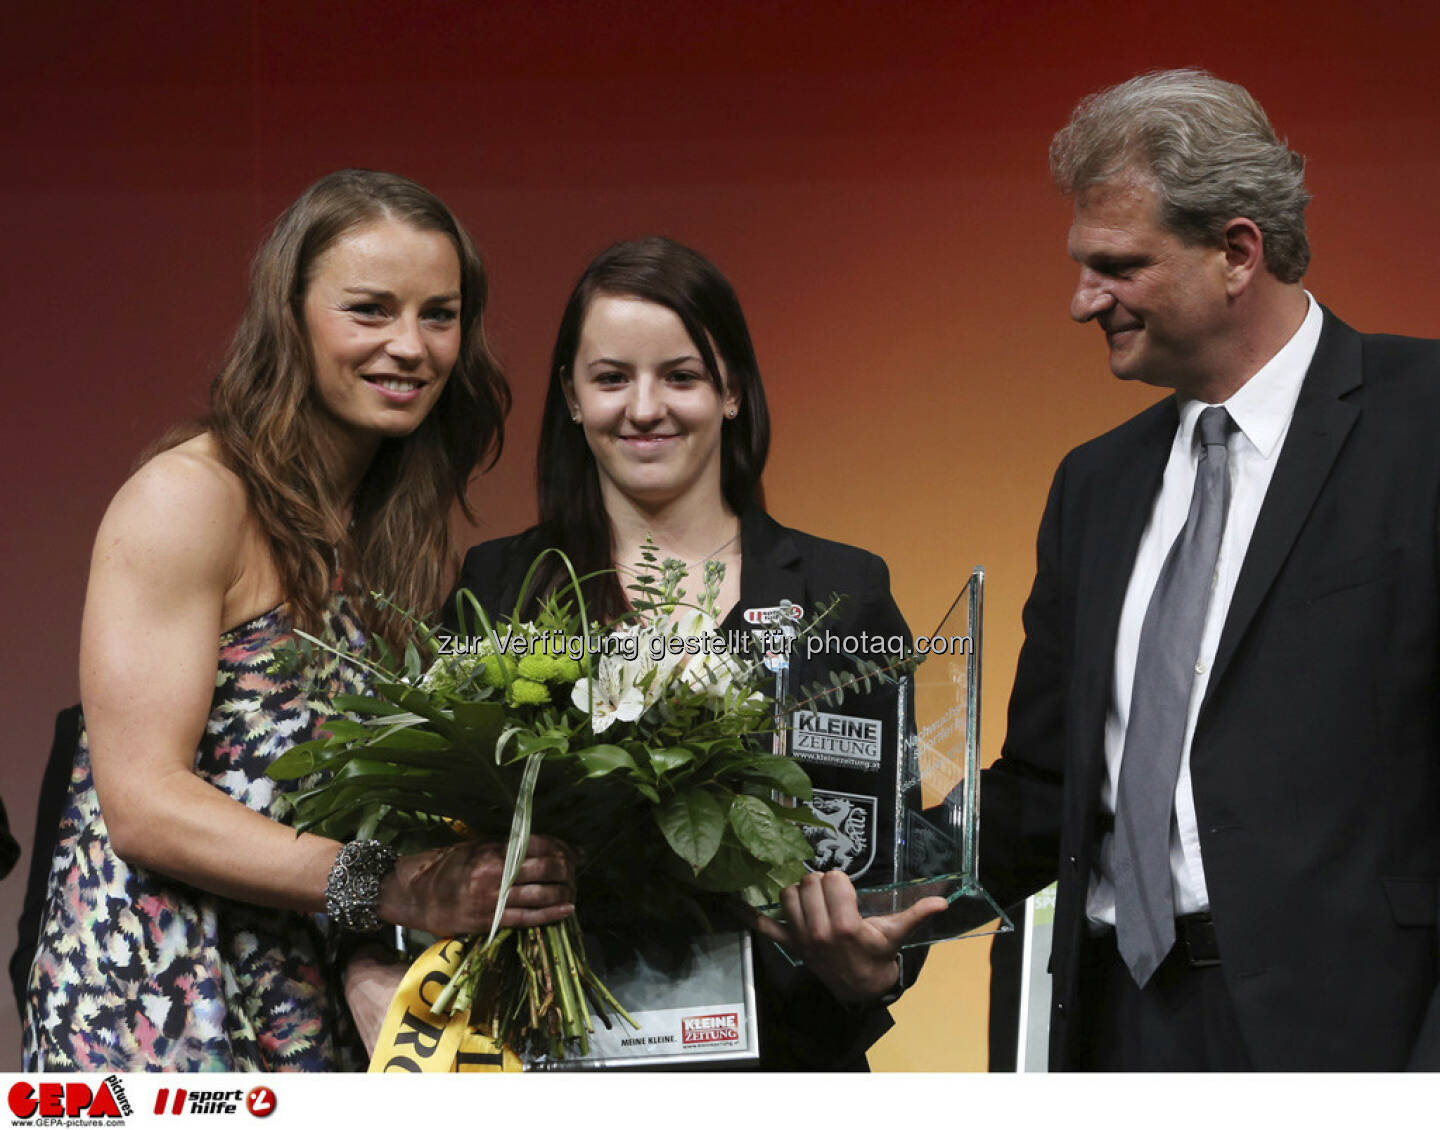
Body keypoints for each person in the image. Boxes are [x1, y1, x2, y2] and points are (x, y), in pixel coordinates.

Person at [22, 170, 576, 1072]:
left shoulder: (390, 536)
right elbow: (144, 806)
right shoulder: (189, 495)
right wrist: (394, 889)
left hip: (307, 992)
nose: (412, 346)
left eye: (440, 315)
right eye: (369, 310)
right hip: (158, 1002)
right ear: (291, 315)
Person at [979, 68, 1440, 1070]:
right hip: (1118, 1025)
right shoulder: (1093, 486)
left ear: (1237, 250)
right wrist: (865, 879)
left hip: (1364, 1037)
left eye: (1118, 265)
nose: (1080, 300)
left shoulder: (1426, 423)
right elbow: (1042, 786)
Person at [453, 236, 944, 1068]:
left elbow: (889, 844)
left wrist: (880, 963)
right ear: (571, 396)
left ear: (732, 392)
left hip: (789, 1062)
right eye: (612, 378)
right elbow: (455, 835)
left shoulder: (842, 586)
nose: (645, 408)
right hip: (561, 1057)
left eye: (680, 376)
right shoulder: (499, 584)